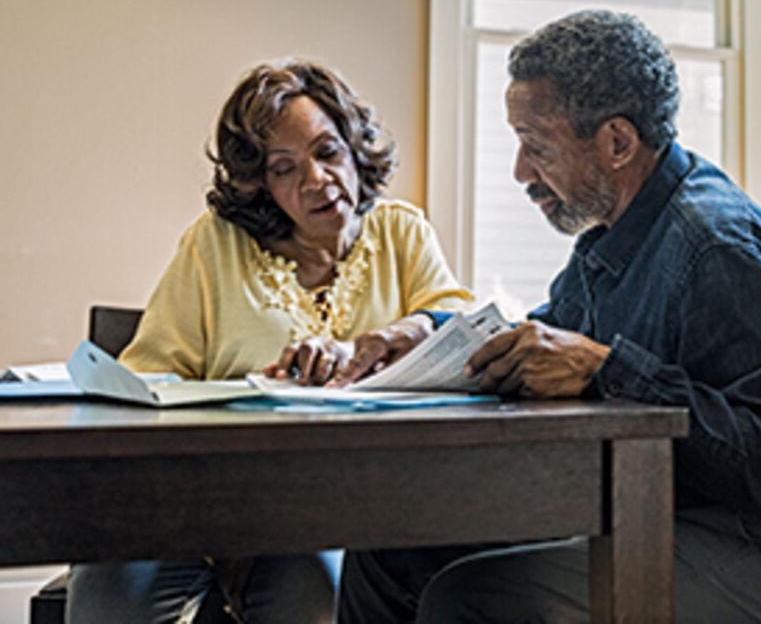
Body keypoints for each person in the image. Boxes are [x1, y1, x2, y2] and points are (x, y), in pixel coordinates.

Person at [336, 10, 761, 623]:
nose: (520, 172)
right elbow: (534, 339)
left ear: (617, 141)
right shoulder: (611, 236)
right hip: (648, 514)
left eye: (536, 146)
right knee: (389, 549)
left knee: (470, 599)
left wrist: (608, 371)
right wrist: (422, 335)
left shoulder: (718, 247)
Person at [66, 60, 471, 624]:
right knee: (107, 603)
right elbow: (146, 379)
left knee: (316, 602)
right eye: (285, 169)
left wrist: (400, 332)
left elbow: (460, 317)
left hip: (333, 512)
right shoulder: (214, 245)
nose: (318, 180)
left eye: (328, 152)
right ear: (260, 184)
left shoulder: (402, 232)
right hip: (197, 500)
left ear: (354, 148)